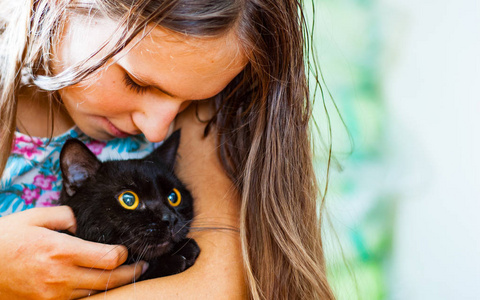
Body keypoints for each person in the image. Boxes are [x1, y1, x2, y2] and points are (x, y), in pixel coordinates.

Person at [0, 0, 336, 299]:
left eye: (191, 100)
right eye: (139, 83)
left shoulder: (197, 119)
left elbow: (212, 287)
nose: (157, 129)